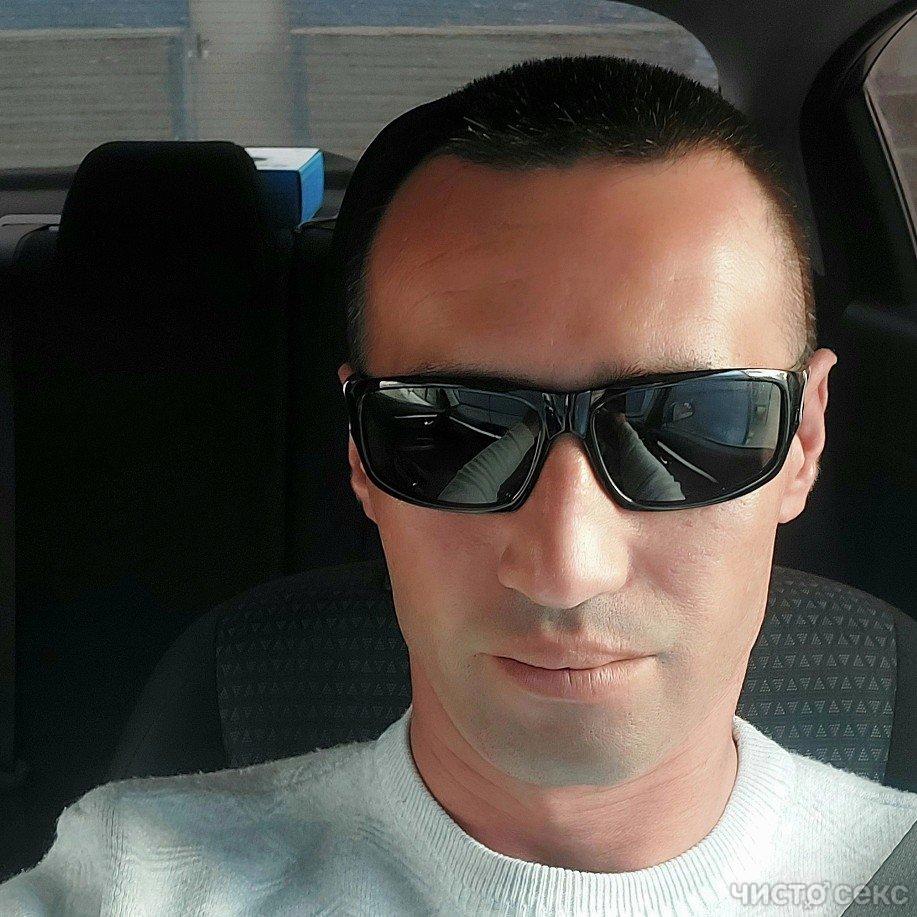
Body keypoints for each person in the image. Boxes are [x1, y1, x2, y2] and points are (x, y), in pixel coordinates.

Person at [2, 54, 915, 916]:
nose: (566, 568)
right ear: (361, 453)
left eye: (689, 425)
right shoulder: (135, 880)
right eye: (450, 432)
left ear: (803, 439)